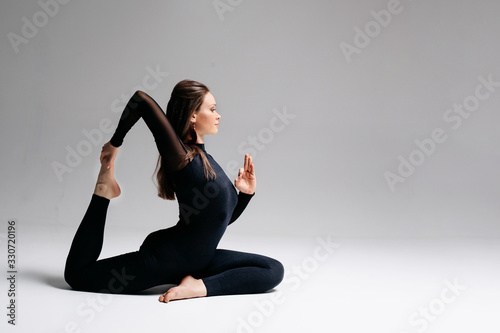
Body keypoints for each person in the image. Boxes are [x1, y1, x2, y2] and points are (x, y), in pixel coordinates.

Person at [64, 79, 284, 303]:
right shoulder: (183, 159)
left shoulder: (206, 160)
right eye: (212, 109)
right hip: (165, 260)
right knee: (77, 275)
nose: (218, 115)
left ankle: (198, 287)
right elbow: (141, 99)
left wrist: (245, 195)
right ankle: (103, 191)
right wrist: (115, 143)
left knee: (273, 269)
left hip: (200, 260)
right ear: (192, 116)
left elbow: (216, 221)